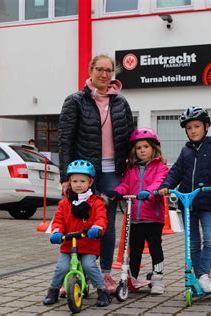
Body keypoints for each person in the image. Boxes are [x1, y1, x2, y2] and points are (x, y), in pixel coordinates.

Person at [58, 54, 135, 293]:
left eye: (108, 70)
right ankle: (75, 273)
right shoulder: (75, 101)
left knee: (106, 224)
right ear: (91, 70)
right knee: (78, 221)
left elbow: (130, 138)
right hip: (83, 174)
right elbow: (65, 140)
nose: (104, 74)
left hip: (113, 172)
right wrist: (65, 176)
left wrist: (132, 172)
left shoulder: (121, 103)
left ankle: (104, 273)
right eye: (99, 69)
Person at [158, 106, 211, 293]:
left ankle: (204, 276)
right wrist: (165, 185)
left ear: (206, 126)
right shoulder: (186, 151)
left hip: (207, 203)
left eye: (196, 126)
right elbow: (176, 171)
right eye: (189, 128)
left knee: (210, 239)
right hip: (188, 205)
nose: (193, 131)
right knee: (192, 243)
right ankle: (198, 278)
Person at [107, 128, 169, 295]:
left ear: (154, 148)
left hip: (153, 217)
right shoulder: (131, 168)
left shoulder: (160, 167)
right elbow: (126, 184)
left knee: (156, 248)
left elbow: (160, 182)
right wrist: (118, 191)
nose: (142, 150)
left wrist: (149, 192)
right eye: (139, 148)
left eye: (146, 147)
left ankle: (157, 278)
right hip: (134, 217)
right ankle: (132, 277)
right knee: (135, 250)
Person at [43, 160, 111, 307]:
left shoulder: (96, 202)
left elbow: (101, 218)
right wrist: (56, 232)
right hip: (68, 243)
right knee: (62, 267)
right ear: (69, 182)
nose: (78, 184)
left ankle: (102, 291)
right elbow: (59, 220)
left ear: (90, 182)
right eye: (74, 181)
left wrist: (97, 228)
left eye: (82, 181)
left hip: (88, 243)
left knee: (89, 265)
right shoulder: (65, 203)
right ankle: (53, 290)